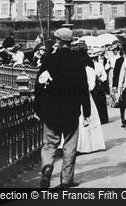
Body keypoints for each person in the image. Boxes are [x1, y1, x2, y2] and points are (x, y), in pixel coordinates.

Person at [34, 28, 90, 189]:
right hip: (71, 110)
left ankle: (47, 169)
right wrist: (87, 112)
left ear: (58, 41)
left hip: (51, 111)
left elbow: (38, 86)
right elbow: (83, 88)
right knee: (70, 145)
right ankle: (66, 180)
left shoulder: (48, 59)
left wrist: (38, 109)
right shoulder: (78, 61)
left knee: (49, 144)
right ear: (71, 42)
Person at [88, 47, 109, 124]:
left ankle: (103, 118)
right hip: (92, 85)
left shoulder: (99, 65)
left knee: (101, 102)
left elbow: (105, 76)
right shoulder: (88, 67)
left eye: (94, 58)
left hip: (99, 85)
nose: (93, 59)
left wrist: (99, 78)